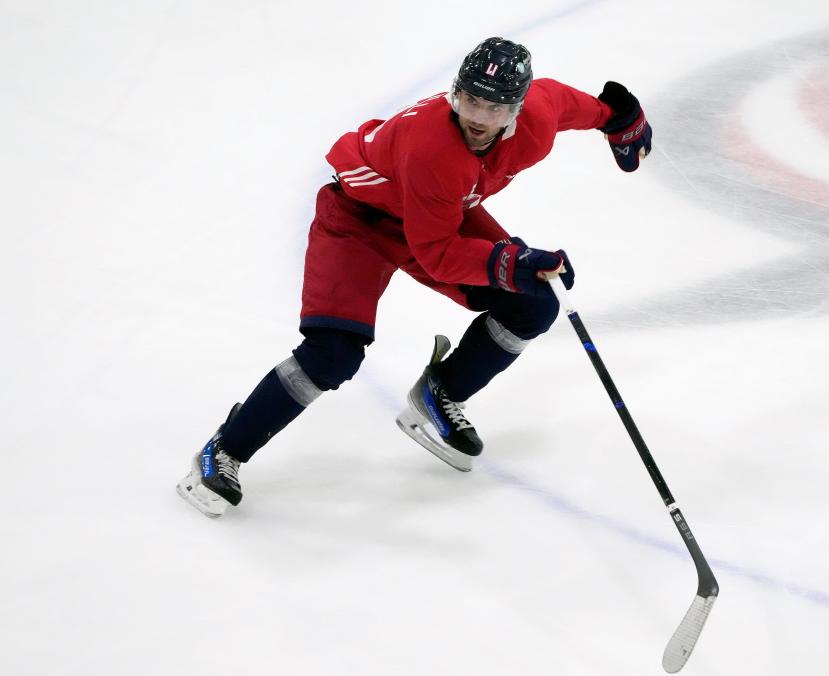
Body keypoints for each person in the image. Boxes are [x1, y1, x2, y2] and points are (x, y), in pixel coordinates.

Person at [177, 37, 652, 518]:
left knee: (534, 302)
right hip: (358, 220)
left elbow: (580, 106)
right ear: (455, 93)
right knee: (332, 354)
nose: (478, 117)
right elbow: (439, 254)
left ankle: (441, 393)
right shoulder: (434, 148)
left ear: (517, 108)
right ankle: (225, 451)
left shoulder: (539, 115)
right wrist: (515, 262)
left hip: (437, 213)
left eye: (494, 106)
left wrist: (620, 118)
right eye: (470, 99)